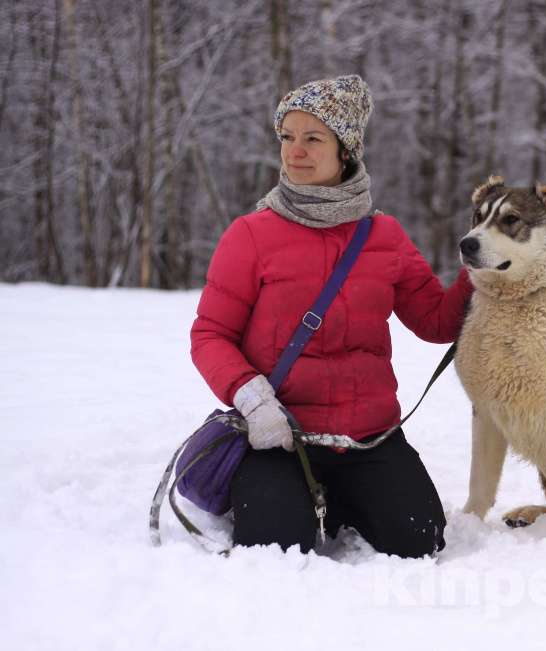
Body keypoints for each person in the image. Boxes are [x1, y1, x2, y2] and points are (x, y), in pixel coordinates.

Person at [190, 75, 472, 558]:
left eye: (313, 138)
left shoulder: (383, 236)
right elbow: (210, 334)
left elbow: (436, 322)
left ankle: (337, 499)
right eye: (287, 137)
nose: (295, 151)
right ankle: (281, 494)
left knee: (420, 539)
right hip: (281, 436)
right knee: (274, 546)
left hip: (368, 438)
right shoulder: (250, 235)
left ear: (346, 150)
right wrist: (252, 400)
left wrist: (484, 267)